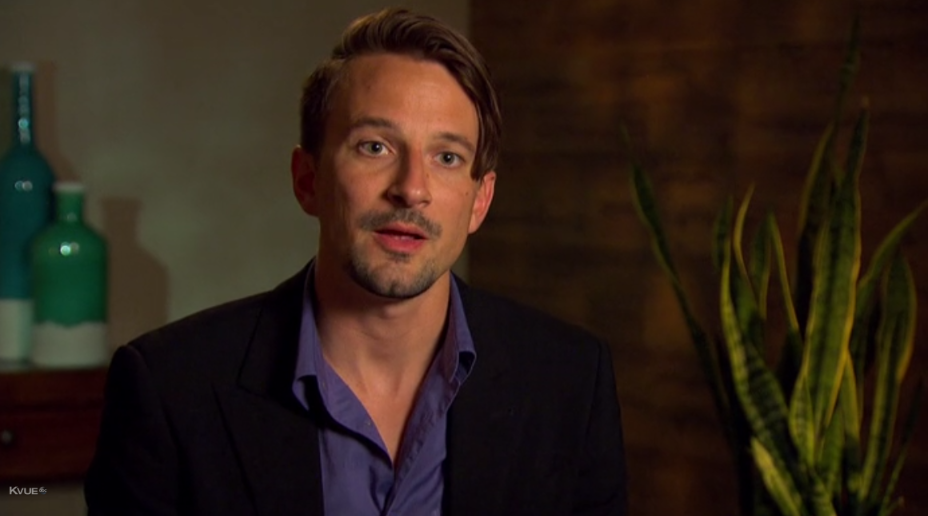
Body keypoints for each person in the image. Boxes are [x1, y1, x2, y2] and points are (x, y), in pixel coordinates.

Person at [84, 7, 627, 516]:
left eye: (446, 157)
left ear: (479, 201)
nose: (411, 189)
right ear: (308, 180)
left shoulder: (571, 382)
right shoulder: (171, 389)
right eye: (375, 147)